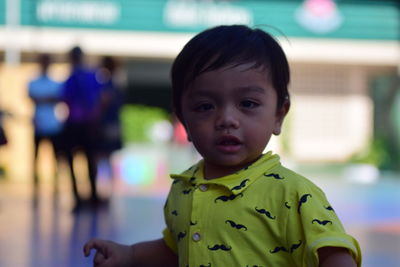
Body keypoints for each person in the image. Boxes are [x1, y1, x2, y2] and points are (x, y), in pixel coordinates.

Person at [83, 25, 361, 267]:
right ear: (183, 120)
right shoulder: (183, 188)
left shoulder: (294, 193)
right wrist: (130, 256)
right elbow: (178, 248)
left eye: (247, 104)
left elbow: (334, 255)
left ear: (278, 114)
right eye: (205, 106)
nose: (227, 119)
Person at [62, 46, 103, 208]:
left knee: (86, 160)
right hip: (82, 123)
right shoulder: (87, 77)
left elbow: (65, 98)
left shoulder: (79, 77)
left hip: (79, 123)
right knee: (87, 160)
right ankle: (87, 197)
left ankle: (85, 197)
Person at [28, 54, 64, 193]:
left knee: (55, 159)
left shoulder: (55, 83)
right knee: (36, 159)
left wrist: (43, 99)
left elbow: (57, 98)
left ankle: (56, 187)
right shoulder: (34, 82)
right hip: (38, 125)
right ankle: (35, 188)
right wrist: (48, 99)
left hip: (53, 125)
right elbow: (33, 98)